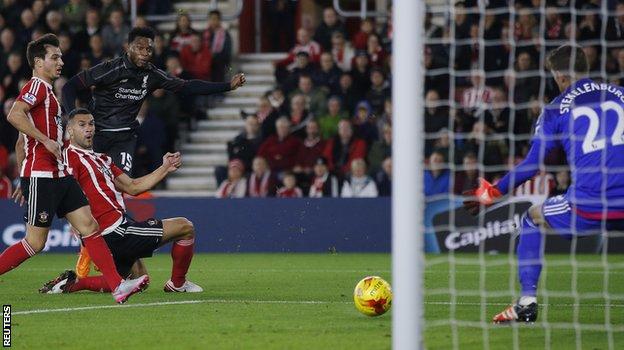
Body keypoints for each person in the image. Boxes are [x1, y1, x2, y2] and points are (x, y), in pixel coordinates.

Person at [62, 26, 245, 280]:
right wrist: (72, 118)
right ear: (128, 48)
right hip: (97, 136)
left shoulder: (152, 76)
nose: (146, 53)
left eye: (150, 48)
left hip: (124, 138)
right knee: (88, 191)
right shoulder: (111, 68)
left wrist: (226, 86)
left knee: (120, 191)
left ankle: (112, 253)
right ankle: (90, 247)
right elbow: (70, 86)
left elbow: (186, 86)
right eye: (140, 47)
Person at [464, 45, 624, 323]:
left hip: (590, 202)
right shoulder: (620, 94)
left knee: (531, 219)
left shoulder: (555, 110)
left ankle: (527, 302)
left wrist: (493, 192)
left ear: (560, 76)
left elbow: (531, 165)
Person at [2, 34, 147, 304]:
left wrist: (26, 170)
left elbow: (20, 144)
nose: (61, 61)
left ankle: (118, 286)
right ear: (38, 62)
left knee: (90, 226)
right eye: (54, 57)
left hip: (59, 174)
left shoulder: (48, 92)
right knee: (35, 243)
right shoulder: (37, 87)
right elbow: (14, 114)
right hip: (43, 175)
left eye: (60, 56)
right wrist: (40, 150)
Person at [38, 109, 202, 294]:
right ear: (70, 130)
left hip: (118, 226)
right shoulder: (69, 157)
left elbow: (133, 186)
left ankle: (73, 284)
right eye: (82, 125)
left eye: (91, 124)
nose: (88, 129)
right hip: (114, 230)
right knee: (185, 227)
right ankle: (178, 284)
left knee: (138, 279)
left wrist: (164, 168)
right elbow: (63, 190)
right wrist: (73, 222)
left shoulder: (102, 159)